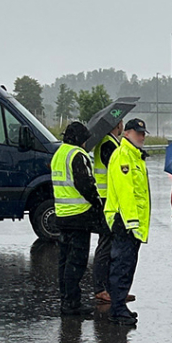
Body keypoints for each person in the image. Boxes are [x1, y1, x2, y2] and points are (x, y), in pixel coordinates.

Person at [51, 121, 103, 316]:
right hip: (79, 216)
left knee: (64, 260)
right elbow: (85, 184)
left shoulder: (59, 154)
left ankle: (66, 299)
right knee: (77, 261)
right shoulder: (77, 155)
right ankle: (72, 303)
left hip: (62, 214)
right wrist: (97, 201)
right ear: (80, 139)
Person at [105, 118, 151, 326]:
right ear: (126, 133)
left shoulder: (135, 157)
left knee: (127, 264)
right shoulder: (124, 156)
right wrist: (131, 222)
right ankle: (117, 308)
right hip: (125, 221)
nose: (141, 136)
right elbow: (126, 193)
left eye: (143, 133)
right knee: (121, 265)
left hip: (132, 223)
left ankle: (120, 305)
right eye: (137, 133)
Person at [92, 120, 133, 304]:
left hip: (108, 197)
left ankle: (111, 288)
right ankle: (101, 288)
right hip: (105, 198)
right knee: (106, 243)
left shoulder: (110, 142)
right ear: (118, 124)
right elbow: (115, 169)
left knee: (110, 242)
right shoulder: (108, 144)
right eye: (121, 122)